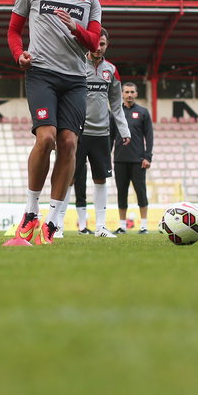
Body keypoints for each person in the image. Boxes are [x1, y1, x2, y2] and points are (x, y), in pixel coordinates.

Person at [6, 0, 102, 245]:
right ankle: (30, 212)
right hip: (41, 73)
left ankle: (53, 219)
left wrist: (75, 26)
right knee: (46, 138)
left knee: (70, 144)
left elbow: (94, 42)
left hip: (76, 78)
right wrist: (19, 54)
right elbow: (13, 31)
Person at [69, 28, 130, 238]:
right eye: (95, 43)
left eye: (102, 44)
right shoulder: (76, 64)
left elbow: (117, 105)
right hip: (77, 132)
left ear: (107, 45)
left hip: (102, 134)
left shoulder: (111, 70)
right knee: (68, 176)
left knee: (101, 179)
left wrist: (124, 130)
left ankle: (101, 227)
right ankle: (56, 225)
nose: (98, 47)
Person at [112, 82, 153, 234]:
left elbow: (149, 137)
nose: (129, 95)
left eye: (132, 92)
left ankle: (143, 226)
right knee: (121, 193)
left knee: (141, 193)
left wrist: (147, 157)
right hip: (119, 160)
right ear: (122, 94)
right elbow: (110, 137)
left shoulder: (143, 112)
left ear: (136, 94)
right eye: (126, 92)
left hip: (138, 161)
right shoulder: (115, 112)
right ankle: (122, 226)